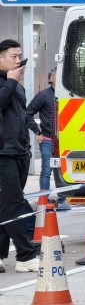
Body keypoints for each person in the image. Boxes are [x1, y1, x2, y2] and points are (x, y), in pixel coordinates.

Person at [0, 39, 39, 274]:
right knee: (13, 204)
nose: (18, 60)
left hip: (19, 152)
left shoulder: (16, 85)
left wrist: (27, 147)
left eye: (20, 56)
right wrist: (11, 83)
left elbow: (22, 117)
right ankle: (25, 255)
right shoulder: (9, 84)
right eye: (13, 56)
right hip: (3, 153)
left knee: (5, 204)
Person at [26, 69, 56, 194]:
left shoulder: (67, 95)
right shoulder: (43, 95)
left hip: (65, 140)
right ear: (51, 78)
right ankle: (43, 198)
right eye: (56, 74)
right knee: (46, 171)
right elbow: (27, 113)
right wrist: (37, 132)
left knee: (63, 172)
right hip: (47, 140)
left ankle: (63, 198)